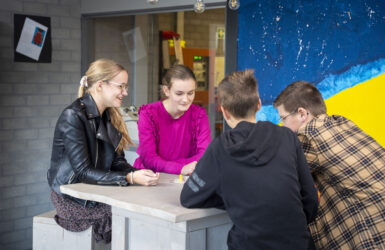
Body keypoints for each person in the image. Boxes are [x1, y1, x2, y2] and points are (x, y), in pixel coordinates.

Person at [180, 70, 319, 250]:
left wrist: (233, 199)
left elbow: (189, 197)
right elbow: (310, 199)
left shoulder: (220, 147)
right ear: (259, 104)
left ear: (224, 111)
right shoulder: (287, 137)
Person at [47, 58, 160, 243]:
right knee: (131, 216)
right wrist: (129, 178)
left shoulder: (107, 114)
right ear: (100, 85)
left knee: (139, 211)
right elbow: (83, 172)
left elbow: (116, 162)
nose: (125, 92)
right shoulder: (73, 116)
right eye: (121, 86)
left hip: (95, 192)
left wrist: (138, 172)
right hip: (71, 198)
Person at [273, 81, 385, 249]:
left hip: (371, 235)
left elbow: (276, 178)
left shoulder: (307, 137)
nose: (282, 125)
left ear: (302, 114)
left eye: (283, 118)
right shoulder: (341, 122)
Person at [133, 64, 211, 175]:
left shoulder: (199, 115)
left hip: (183, 179)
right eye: (179, 93)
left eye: (190, 93)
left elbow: (205, 155)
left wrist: (170, 166)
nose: (186, 99)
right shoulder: (149, 114)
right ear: (166, 90)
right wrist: (181, 168)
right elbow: (149, 158)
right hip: (150, 178)